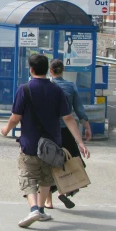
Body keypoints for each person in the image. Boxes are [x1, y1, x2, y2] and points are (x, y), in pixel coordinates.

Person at [0, 54, 89, 229]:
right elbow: (69, 118)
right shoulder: (57, 90)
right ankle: (41, 209)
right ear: (46, 69)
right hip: (52, 145)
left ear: (31, 69)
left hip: (30, 143)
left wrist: (5, 130)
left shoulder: (24, 90)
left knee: (27, 175)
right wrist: (80, 142)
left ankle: (34, 208)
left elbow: (15, 117)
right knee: (47, 177)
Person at [45, 59, 92, 209]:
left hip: (50, 131)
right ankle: (63, 192)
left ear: (50, 71)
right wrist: (86, 125)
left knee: (48, 164)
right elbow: (78, 108)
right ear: (62, 70)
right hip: (66, 130)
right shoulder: (71, 87)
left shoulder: (48, 87)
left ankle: (48, 201)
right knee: (70, 162)